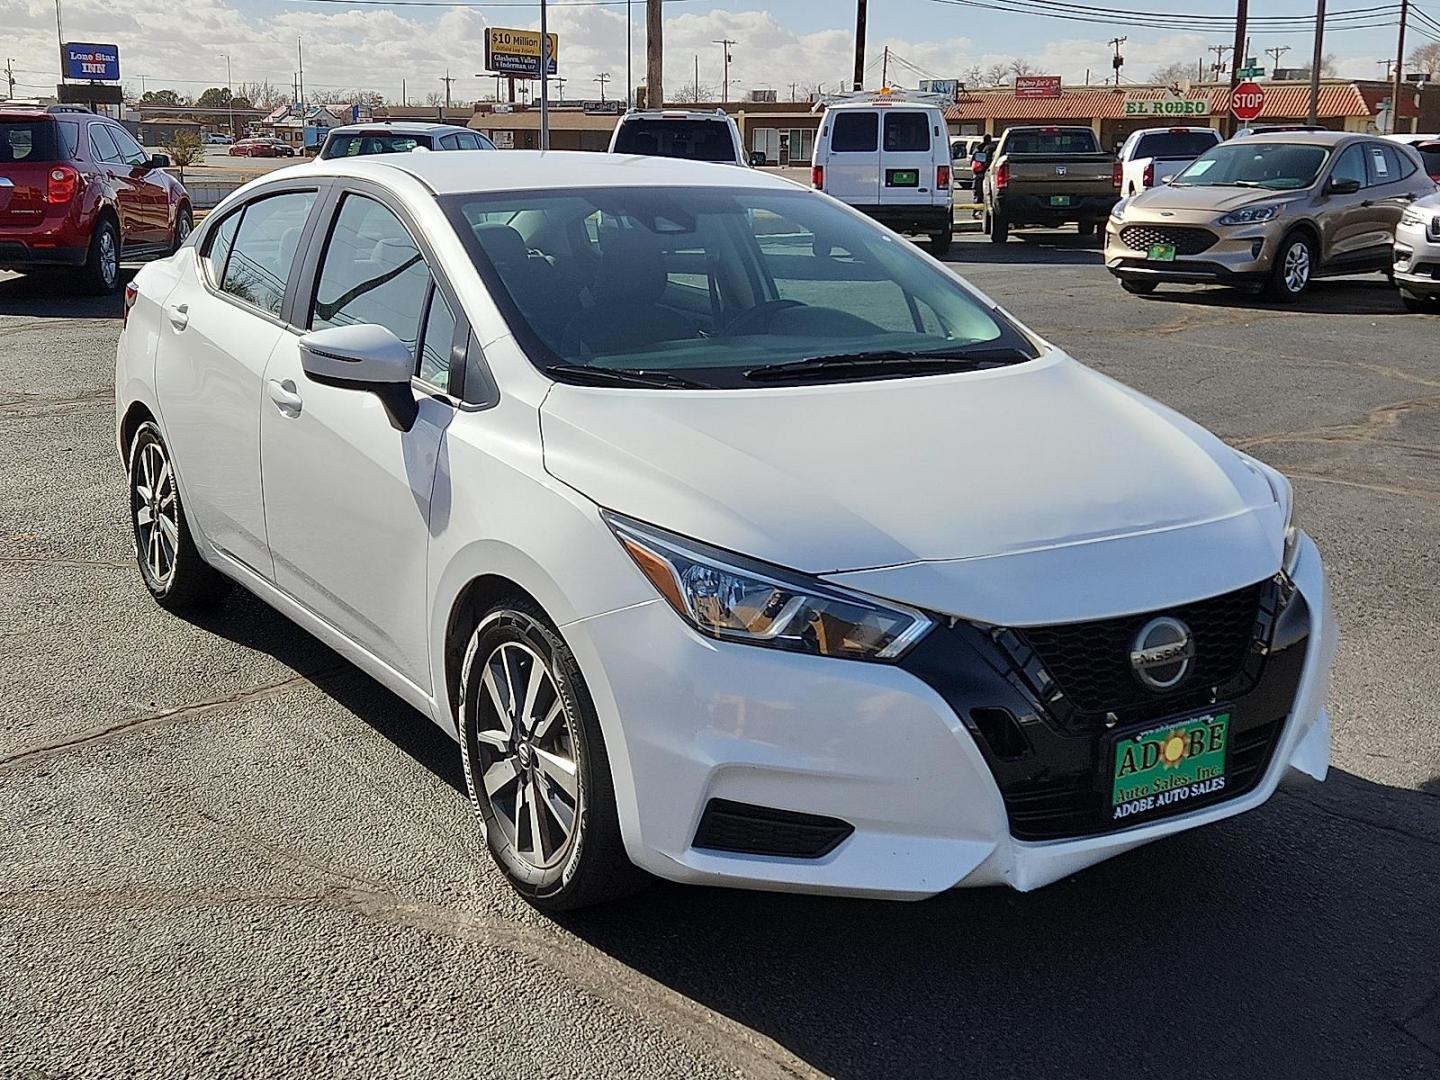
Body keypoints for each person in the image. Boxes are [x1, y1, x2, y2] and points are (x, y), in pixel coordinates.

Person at [970, 133, 995, 217]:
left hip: (977, 174)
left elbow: (972, 161)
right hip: (986, 174)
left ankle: (976, 211)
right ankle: (979, 211)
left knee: (978, 193)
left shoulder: (978, 148)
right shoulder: (991, 148)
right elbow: (989, 161)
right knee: (985, 194)